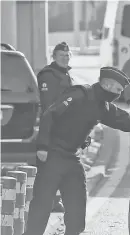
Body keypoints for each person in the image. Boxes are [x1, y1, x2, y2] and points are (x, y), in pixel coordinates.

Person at [20, 67, 130, 235]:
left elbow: (128, 121)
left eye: (119, 90)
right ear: (104, 83)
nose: (115, 92)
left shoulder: (102, 106)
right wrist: (42, 147)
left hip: (71, 158)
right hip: (52, 155)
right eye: (113, 87)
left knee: (77, 205)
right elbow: (50, 115)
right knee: (42, 205)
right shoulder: (79, 94)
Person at [37, 42, 75, 213]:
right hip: (54, 127)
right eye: (62, 56)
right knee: (51, 167)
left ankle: (55, 200)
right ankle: (49, 202)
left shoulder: (64, 74)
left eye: (67, 56)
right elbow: (49, 107)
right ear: (54, 57)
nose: (66, 58)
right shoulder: (49, 75)